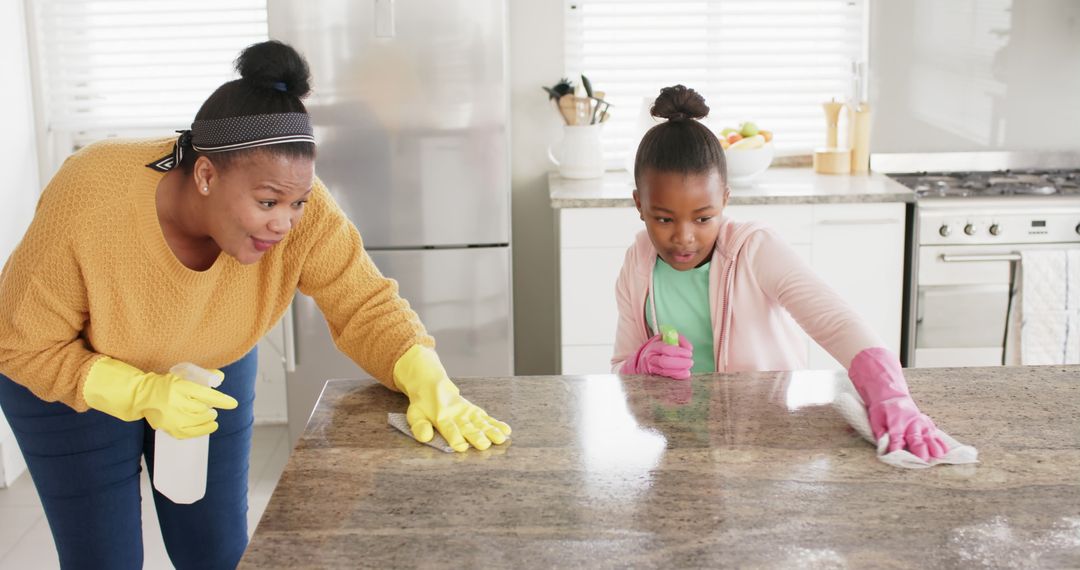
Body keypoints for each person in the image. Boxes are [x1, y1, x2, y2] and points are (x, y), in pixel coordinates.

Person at [0, 40, 510, 570]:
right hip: (69, 375)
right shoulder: (91, 194)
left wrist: (429, 380)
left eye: (297, 204)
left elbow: (364, 302)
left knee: (216, 552)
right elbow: (18, 340)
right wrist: (139, 392)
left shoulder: (298, 208)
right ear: (205, 176)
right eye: (267, 203)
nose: (283, 223)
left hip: (206, 363)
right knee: (103, 559)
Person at [612, 84, 947, 462]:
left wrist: (891, 394)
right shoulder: (637, 263)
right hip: (677, 448)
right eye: (663, 219)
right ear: (639, 204)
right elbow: (620, 369)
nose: (684, 237)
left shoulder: (755, 250)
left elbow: (835, 321)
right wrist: (638, 364)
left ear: (725, 198)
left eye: (704, 218)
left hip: (761, 445)